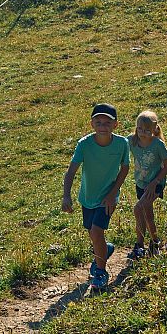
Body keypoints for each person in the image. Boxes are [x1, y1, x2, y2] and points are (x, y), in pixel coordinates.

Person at [62, 103, 130, 290]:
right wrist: (66, 196)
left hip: (108, 197)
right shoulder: (84, 144)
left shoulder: (122, 143)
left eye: (107, 122)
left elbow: (125, 168)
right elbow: (70, 173)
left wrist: (112, 193)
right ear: (92, 124)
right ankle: (105, 249)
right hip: (87, 197)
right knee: (94, 235)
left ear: (115, 125)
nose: (102, 126)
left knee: (95, 231)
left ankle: (100, 272)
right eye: (98, 122)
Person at [128, 111, 167, 258]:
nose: (142, 133)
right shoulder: (132, 141)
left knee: (138, 208)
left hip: (155, 183)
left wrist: (155, 182)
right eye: (139, 129)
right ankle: (149, 243)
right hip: (141, 183)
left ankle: (146, 243)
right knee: (146, 214)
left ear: (155, 130)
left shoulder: (158, 145)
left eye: (147, 130)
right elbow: (118, 144)